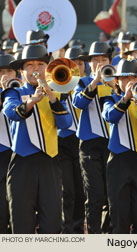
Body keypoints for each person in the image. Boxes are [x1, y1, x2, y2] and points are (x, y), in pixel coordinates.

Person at [1, 45, 72, 233]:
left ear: (47, 68)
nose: (35, 69)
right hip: (22, 164)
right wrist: (31, 101)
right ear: (22, 71)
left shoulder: (56, 92)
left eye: (40, 64)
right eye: (30, 65)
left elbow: (66, 122)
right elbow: (11, 112)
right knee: (22, 223)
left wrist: (50, 95)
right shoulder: (13, 92)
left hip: (50, 163)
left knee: (52, 223)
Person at [102, 59, 137, 233]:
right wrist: (126, 98)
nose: (130, 81)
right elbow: (110, 116)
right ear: (117, 81)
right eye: (125, 78)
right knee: (119, 218)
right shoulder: (110, 98)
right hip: (118, 161)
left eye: (134, 77)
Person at [72, 41, 114, 233]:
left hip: (114, 144)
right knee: (95, 196)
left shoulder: (117, 81)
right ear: (89, 63)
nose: (99, 63)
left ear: (110, 61)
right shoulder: (81, 81)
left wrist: (115, 85)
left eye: (103, 59)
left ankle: (107, 235)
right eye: (95, 60)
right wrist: (95, 81)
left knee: (112, 195)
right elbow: (78, 103)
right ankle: (95, 237)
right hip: (89, 145)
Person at [56, 48, 89, 234]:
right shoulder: (57, 80)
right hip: (62, 141)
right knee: (66, 191)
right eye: (73, 63)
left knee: (81, 190)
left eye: (81, 63)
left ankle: (77, 230)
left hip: (82, 141)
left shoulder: (89, 84)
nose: (77, 67)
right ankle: (66, 232)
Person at [0, 54, 17, 233]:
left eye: (9, 71)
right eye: (1, 72)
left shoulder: (22, 91)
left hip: (18, 153)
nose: (5, 76)